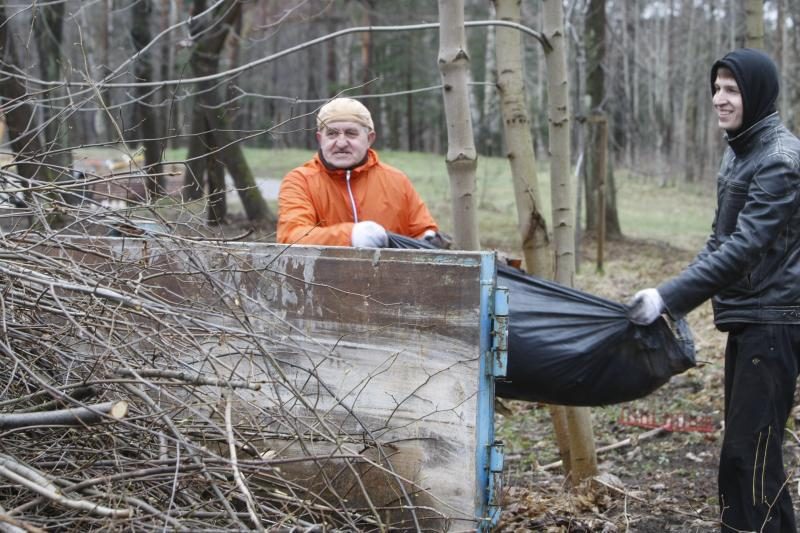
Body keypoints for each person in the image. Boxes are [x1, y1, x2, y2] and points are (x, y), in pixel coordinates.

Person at [628, 48, 800, 532]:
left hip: (775, 323)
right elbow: (717, 242)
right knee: (748, 458)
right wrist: (669, 295)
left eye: (732, 89)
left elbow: (744, 248)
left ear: (758, 94)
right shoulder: (740, 151)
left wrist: (670, 297)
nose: (719, 99)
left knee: (750, 458)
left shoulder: (780, 160)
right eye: (717, 88)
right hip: (751, 319)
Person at [277, 97, 439, 247]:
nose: (341, 143)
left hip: (390, 277)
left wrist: (429, 237)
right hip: (321, 277)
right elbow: (291, 236)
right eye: (332, 133)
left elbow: (422, 231)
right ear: (320, 139)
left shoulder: (397, 180)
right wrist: (350, 236)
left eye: (351, 133)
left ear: (370, 139)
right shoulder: (300, 181)